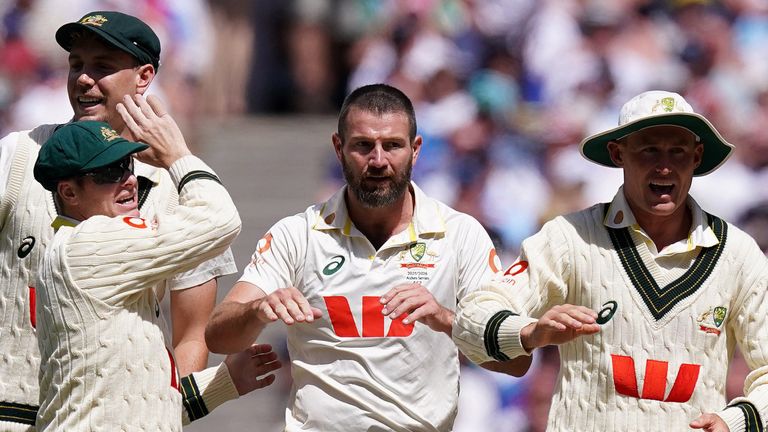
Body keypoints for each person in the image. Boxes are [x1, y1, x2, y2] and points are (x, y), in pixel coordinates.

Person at [204, 83, 530, 431]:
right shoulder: (297, 234)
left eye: (392, 145)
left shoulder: (459, 234)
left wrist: (445, 319)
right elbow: (218, 336)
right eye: (363, 145)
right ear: (338, 148)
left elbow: (515, 361)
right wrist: (257, 309)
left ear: (416, 149)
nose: (378, 161)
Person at [453, 90, 768, 431]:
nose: (665, 166)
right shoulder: (571, 238)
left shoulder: (737, 254)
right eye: (649, 150)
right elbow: (472, 317)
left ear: (697, 156)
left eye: (678, 151)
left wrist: (735, 421)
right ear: (619, 154)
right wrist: (530, 332)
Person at [0, 11, 237, 429]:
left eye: (102, 66)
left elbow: (191, 335)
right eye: (76, 64)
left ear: (144, 77)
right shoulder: (17, 154)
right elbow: (222, 218)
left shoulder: (180, 186)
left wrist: (157, 417)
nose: (83, 78)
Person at [31, 95, 275, 429]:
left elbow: (135, 404)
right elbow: (221, 220)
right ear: (69, 193)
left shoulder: (85, 250)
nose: (129, 180)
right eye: (108, 172)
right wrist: (178, 154)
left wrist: (224, 381)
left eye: (127, 165)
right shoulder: (90, 243)